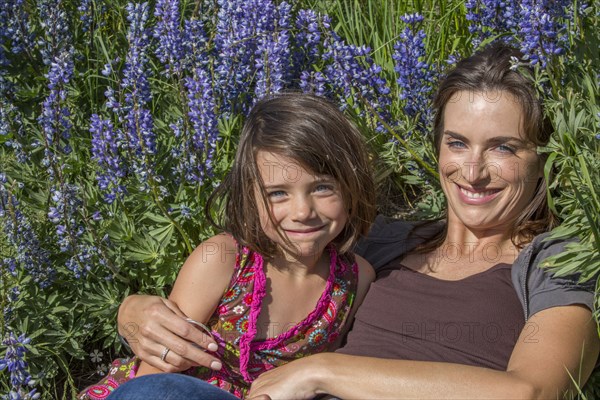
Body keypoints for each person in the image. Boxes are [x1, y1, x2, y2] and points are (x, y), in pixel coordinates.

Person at [110, 43, 599, 399]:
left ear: (546, 155)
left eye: (502, 147)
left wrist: (322, 372)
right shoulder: (383, 240)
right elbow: (276, 247)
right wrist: (131, 311)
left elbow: (530, 391)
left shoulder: (554, 260)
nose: (472, 170)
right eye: (457, 142)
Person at [78, 93, 376, 399]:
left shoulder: (355, 279)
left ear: (352, 188)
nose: (302, 212)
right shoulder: (223, 260)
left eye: (322, 187)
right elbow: (153, 373)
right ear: (250, 196)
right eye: (277, 193)